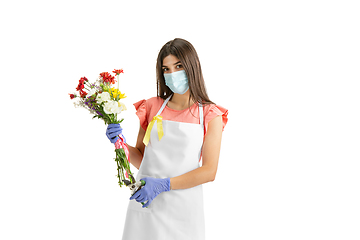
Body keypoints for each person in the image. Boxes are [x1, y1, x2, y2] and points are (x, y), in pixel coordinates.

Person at [106, 38, 228, 240]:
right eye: (166, 69)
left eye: (178, 66)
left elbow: (209, 171)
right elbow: (142, 158)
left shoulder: (210, 114)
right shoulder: (153, 107)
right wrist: (120, 144)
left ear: (193, 66)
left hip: (184, 209)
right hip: (147, 205)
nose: (172, 74)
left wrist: (163, 185)